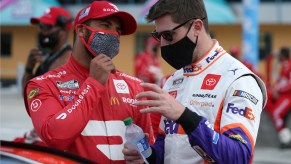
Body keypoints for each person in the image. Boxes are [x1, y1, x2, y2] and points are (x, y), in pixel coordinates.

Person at [123, 0, 267, 163]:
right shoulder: (173, 80)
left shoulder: (238, 80)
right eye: (158, 36)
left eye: (168, 35)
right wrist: (147, 155)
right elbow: (168, 148)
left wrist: (184, 116)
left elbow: (238, 156)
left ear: (197, 27)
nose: (163, 44)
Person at [23, 1, 153, 163]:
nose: (113, 35)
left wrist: (143, 157)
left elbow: (150, 152)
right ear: (81, 31)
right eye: (105, 25)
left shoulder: (135, 86)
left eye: (118, 30)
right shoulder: (42, 84)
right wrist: (93, 84)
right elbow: (54, 137)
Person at [14, 6, 73, 146]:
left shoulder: (67, 60)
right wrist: (29, 68)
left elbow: (64, 107)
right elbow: (28, 95)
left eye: (46, 26)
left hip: (55, 136)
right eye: (40, 27)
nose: (41, 31)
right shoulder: (48, 57)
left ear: (64, 30)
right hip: (43, 130)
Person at [265, 47, 291, 148]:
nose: (277, 57)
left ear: (282, 56)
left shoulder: (289, 65)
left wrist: (278, 90)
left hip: (288, 96)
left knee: (276, 113)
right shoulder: (284, 66)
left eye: (279, 55)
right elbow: (280, 82)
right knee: (266, 96)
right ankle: (284, 134)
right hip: (282, 95)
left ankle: (286, 139)